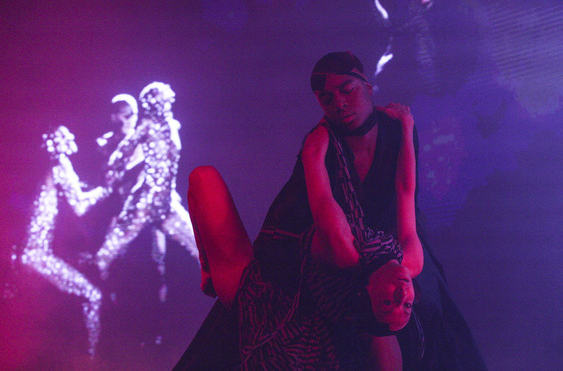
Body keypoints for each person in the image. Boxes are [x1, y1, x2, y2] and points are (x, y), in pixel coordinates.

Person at [177, 52, 485, 369]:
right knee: (430, 309)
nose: (402, 294)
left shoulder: (345, 253)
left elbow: (323, 202)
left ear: (367, 291)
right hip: (309, 268)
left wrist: (314, 148)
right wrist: (407, 125)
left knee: (203, 178)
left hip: (271, 288)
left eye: (388, 301)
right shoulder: (410, 260)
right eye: (406, 304)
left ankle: (210, 270)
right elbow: (406, 190)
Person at [94, 83, 198, 283]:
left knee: (197, 247)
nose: (168, 105)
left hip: (165, 202)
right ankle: (96, 292)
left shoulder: (171, 126)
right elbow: (120, 156)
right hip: (144, 201)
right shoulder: (146, 126)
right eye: (163, 101)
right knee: (109, 253)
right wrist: (114, 173)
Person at [21, 126, 109, 356]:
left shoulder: (51, 167)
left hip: (32, 253)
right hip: (37, 255)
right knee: (93, 297)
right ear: (57, 143)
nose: (71, 136)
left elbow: (76, 191)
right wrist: (106, 189)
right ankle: (91, 359)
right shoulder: (61, 164)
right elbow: (79, 205)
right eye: (65, 134)